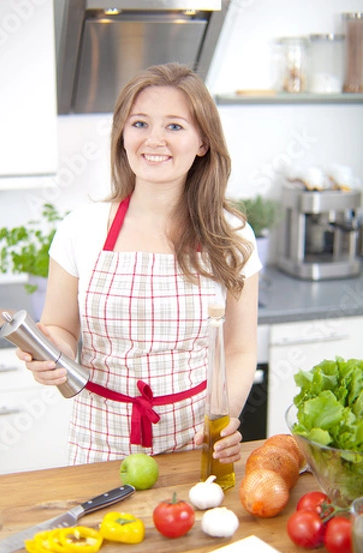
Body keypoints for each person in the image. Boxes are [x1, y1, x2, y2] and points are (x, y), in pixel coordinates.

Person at [17, 62, 262, 465]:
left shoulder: (232, 233)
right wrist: (50, 355)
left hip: (195, 440)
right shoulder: (82, 229)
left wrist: (221, 422)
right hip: (99, 442)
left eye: (175, 126)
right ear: (122, 135)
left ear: (203, 142)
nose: (154, 140)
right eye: (140, 123)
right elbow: (59, 327)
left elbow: (239, 348)